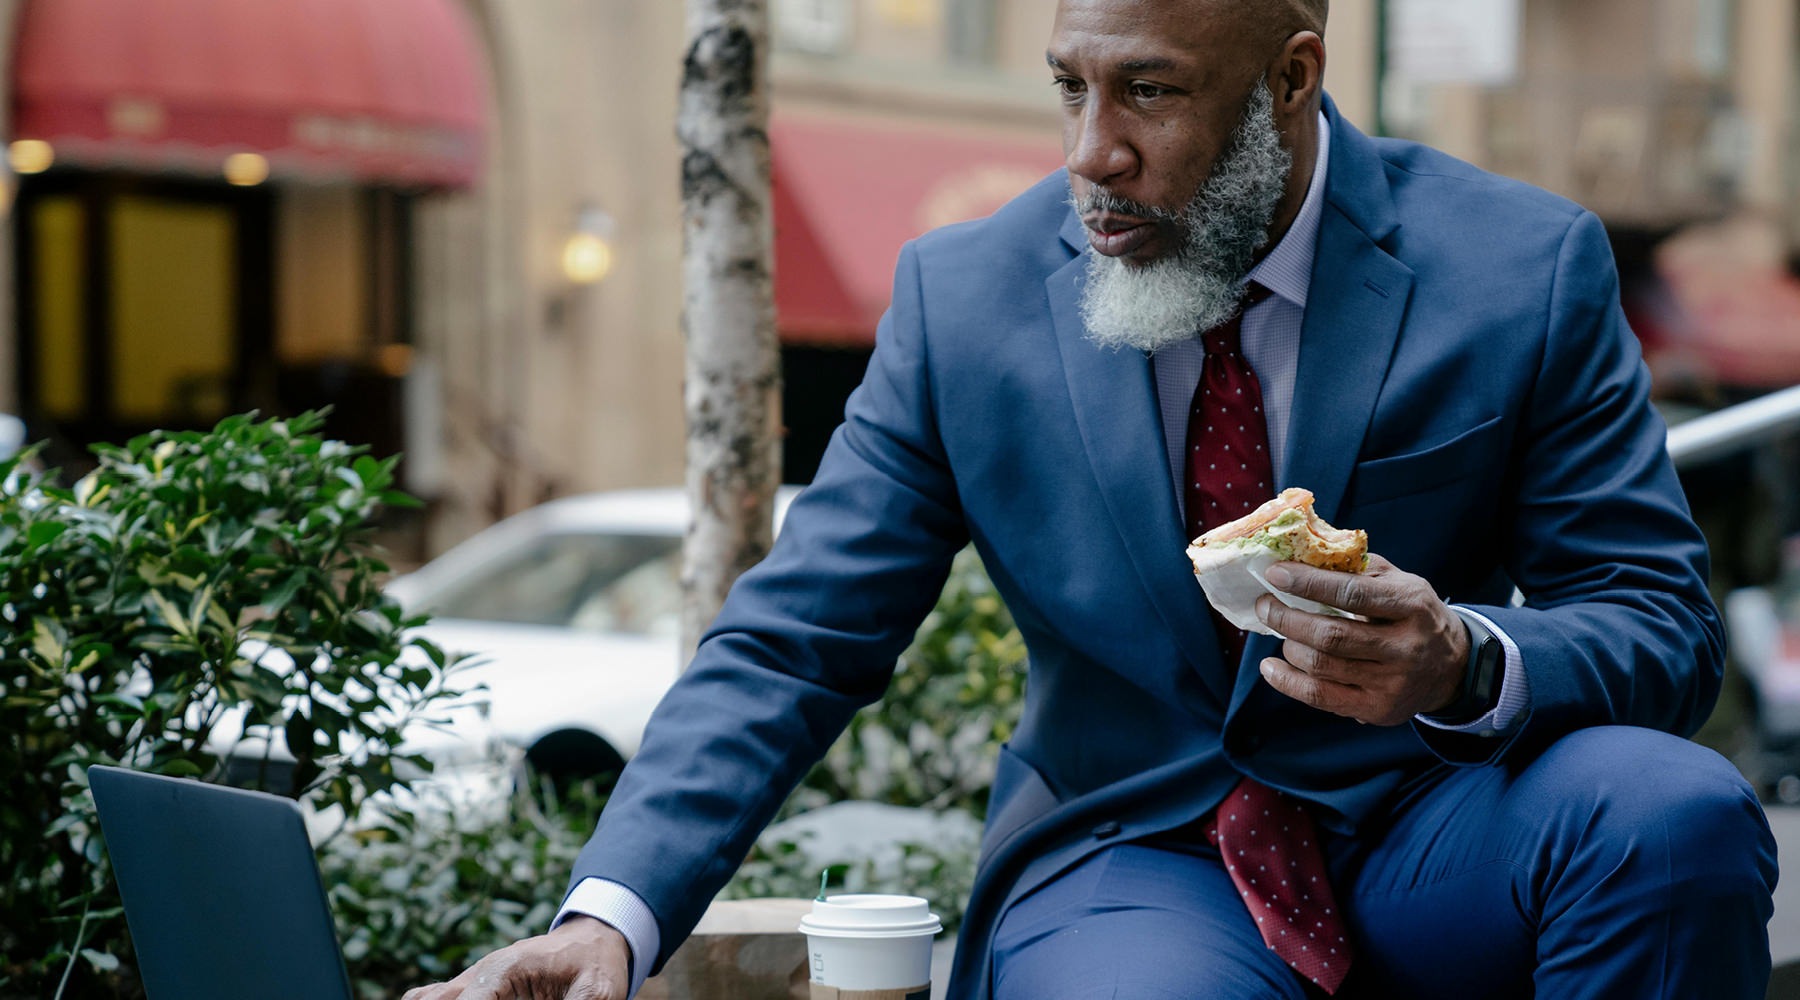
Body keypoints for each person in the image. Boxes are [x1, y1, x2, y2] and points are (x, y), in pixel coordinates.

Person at [403, 0, 1778, 997]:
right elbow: (792, 641)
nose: (1090, 153)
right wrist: (610, 918)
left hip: (1439, 826)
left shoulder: (1522, 267)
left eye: (1152, 94)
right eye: (1071, 84)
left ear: (1292, 78)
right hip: (1136, 850)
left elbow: (1656, 618)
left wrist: (1465, 657)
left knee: (1675, 816)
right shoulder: (967, 299)